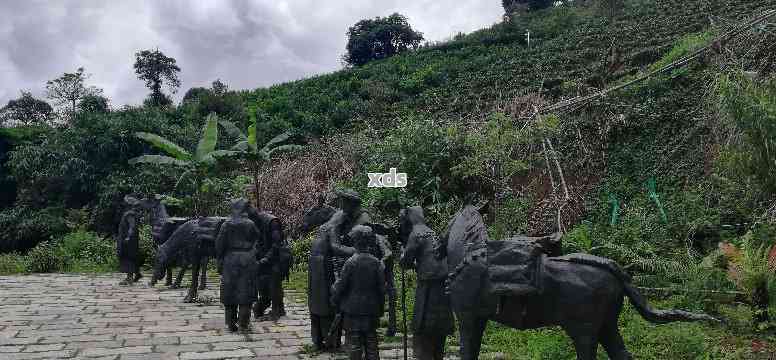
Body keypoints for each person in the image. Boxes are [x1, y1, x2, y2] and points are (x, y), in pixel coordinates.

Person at [307, 188, 368, 350]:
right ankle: (331, 341)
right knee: (328, 300)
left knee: (317, 299)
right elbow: (335, 247)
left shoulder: (329, 222)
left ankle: (318, 339)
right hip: (322, 261)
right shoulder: (334, 226)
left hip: (315, 259)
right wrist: (357, 251)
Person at [399, 207, 454, 360]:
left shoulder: (415, 234)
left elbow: (405, 261)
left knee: (425, 327)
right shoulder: (432, 232)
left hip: (428, 287)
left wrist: (402, 253)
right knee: (439, 328)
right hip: (443, 285)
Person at [331, 225, 385, 360]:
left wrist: (334, 293)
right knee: (372, 343)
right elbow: (381, 289)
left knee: (354, 344)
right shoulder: (376, 262)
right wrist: (381, 308)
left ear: (355, 242)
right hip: (371, 309)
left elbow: (340, 286)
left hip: (352, 310)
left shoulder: (351, 262)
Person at [216, 199, 260, 333]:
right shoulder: (250, 224)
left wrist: (220, 259)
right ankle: (243, 325)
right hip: (247, 259)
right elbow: (257, 239)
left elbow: (219, 244)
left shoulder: (226, 224)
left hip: (230, 259)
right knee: (246, 292)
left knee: (230, 291)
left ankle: (230, 324)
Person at [247, 206, 287, 320]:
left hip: (276, 257)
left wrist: (266, 259)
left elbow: (277, 244)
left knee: (274, 282)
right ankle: (275, 307)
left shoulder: (272, 222)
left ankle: (276, 311)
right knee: (263, 285)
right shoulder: (253, 224)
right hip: (262, 257)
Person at [117, 195, 143, 285]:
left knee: (127, 257)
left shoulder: (129, 214)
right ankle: (137, 274)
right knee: (132, 257)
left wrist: (128, 236)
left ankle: (129, 278)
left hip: (128, 240)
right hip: (132, 239)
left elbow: (132, 226)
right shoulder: (133, 214)